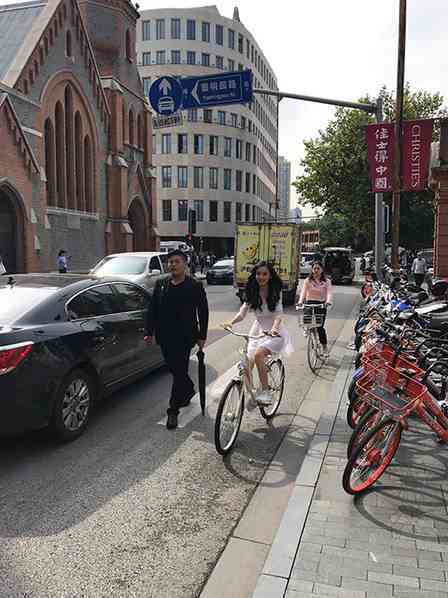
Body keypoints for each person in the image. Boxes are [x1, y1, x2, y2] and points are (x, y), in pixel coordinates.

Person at [144, 250, 209, 430]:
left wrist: (202, 335)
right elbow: (153, 309)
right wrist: (149, 331)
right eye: (170, 262)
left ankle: (173, 410)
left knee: (179, 370)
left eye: (176, 261)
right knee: (175, 369)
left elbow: (203, 312)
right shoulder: (162, 284)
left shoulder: (194, 285)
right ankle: (188, 389)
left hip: (185, 336)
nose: (173, 265)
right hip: (164, 335)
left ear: (185, 264)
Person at [223, 262, 293, 408]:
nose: (261, 277)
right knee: (247, 364)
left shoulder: (275, 290)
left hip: (275, 332)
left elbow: (279, 314)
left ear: (270, 275)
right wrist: (231, 322)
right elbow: (243, 312)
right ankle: (254, 393)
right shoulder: (252, 290)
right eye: (258, 274)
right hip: (258, 330)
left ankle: (266, 392)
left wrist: (274, 329)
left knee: (258, 355)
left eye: (264, 274)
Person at [297, 261, 333, 357]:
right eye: (314, 268)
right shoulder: (307, 280)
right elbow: (303, 292)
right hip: (309, 302)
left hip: (321, 304)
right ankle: (306, 328)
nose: (316, 270)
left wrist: (328, 302)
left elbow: (329, 293)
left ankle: (324, 347)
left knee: (320, 327)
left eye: (318, 268)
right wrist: (300, 302)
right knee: (307, 317)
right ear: (312, 270)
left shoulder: (326, 281)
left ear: (322, 270)